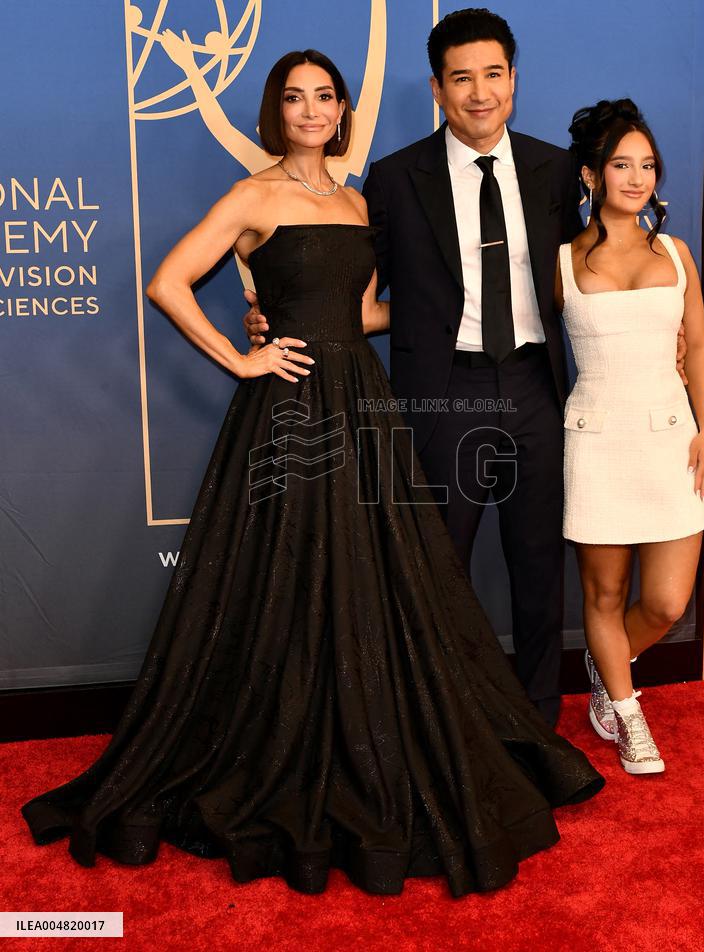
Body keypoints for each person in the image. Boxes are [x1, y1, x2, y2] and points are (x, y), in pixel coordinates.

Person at [21, 49, 603, 899]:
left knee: (375, 579)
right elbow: (167, 282)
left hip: (361, 401)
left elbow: (362, 312)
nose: (310, 110)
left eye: (324, 96)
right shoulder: (253, 196)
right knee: (288, 575)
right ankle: (283, 739)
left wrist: (450, 305)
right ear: (277, 111)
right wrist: (242, 358)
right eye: (294, 98)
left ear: (341, 111)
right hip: (290, 408)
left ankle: (366, 732)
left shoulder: (358, 200)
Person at [248, 9, 589, 726]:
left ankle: (539, 721)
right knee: (438, 569)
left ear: (513, 80)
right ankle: (449, 723)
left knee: (539, 568)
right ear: (437, 89)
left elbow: (586, 274)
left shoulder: (554, 170)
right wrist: (281, 318)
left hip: (536, 385)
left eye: (492, 75)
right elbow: (354, 291)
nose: (479, 93)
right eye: (461, 78)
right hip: (444, 392)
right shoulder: (397, 178)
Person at [556, 99, 704, 775]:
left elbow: (698, 347)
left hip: (671, 439)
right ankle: (627, 716)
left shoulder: (676, 254)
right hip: (596, 442)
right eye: (622, 165)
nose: (637, 178)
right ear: (592, 174)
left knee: (667, 602)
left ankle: (608, 667)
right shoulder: (561, 261)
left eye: (647, 165)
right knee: (603, 595)